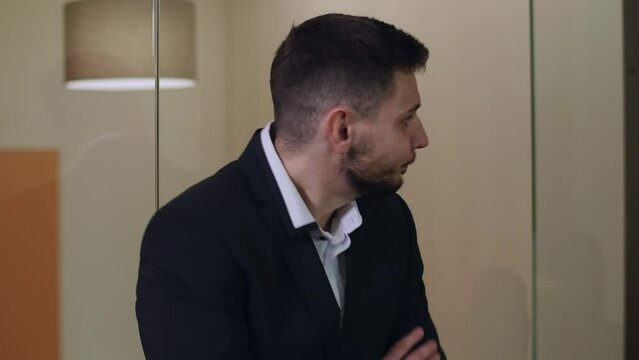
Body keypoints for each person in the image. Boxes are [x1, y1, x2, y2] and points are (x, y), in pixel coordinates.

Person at [136, 13, 446, 360]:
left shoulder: (388, 218)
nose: (421, 138)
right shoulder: (193, 236)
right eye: (405, 119)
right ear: (342, 129)